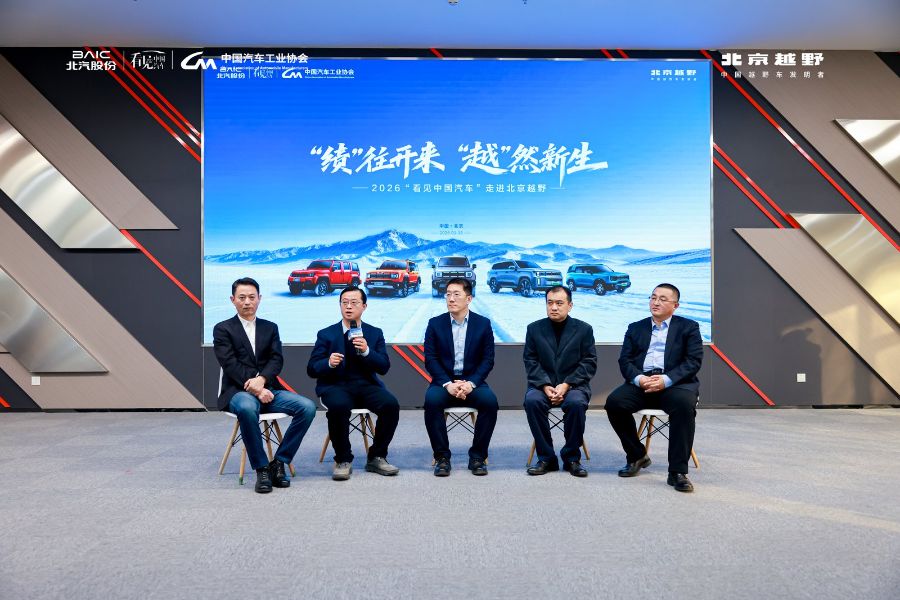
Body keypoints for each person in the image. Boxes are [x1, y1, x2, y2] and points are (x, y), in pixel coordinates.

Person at [213, 277, 317, 494]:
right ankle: (261, 468)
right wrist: (257, 388)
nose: (247, 302)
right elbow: (229, 364)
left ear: (259, 299)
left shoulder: (270, 327)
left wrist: (262, 382)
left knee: (307, 407)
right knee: (247, 407)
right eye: (242, 297)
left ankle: (279, 462)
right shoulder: (223, 329)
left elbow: (276, 360)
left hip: (269, 388)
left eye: (252, 297)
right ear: (233, 300)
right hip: (237, 391)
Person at [605, 283, 703, 493]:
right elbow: (625, 360)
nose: (656, 302)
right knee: (614, 403)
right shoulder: (635, 327)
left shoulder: (689, 327)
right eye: (653, 297)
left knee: (683, 406)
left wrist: (666, 380)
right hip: (643, 382)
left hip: (675, 384)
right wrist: (639, 379)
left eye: (662, 299)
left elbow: (693, 361)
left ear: (675, 305)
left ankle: (677, 472)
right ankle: (637, 455)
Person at [307, 286, 400, 481]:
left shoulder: (374, 333)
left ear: (364, 306)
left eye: (354, 303)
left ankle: (377, 456)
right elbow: (312, 368)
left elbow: (384, 367)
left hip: (366, 385)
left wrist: (367, 351)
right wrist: (328, 363)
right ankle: (343, 459)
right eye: (344, 302)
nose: (348, 307)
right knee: (339, 406)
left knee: (391, 405)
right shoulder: (326, 334)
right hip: (335, 385)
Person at [423, 278, 498, 477]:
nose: (451, 299)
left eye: (456, 294)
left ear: (469, 298)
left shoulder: (482, 324)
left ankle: (477, 457)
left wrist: (471, 383)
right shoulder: (435, 324)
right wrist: (447, 384)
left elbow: (487, 360)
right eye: (448, 294)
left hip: (472, 381)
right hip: (444, 381)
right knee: (431, 401)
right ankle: (442, 458)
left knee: (490, 402)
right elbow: (430, 359)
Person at [523, 285, 597, 477]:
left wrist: (567, 384)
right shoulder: (534, 329)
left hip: (574, 385)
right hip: (542, 386)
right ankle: (546, 458)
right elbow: (530, 361)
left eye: (559, 303)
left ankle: (572, 458)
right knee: (532, 401)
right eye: (550, 303)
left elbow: (589, 362)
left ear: (570, 305)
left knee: (576, 403)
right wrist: (545, 385)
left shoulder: (584, 329)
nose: (554, 307)